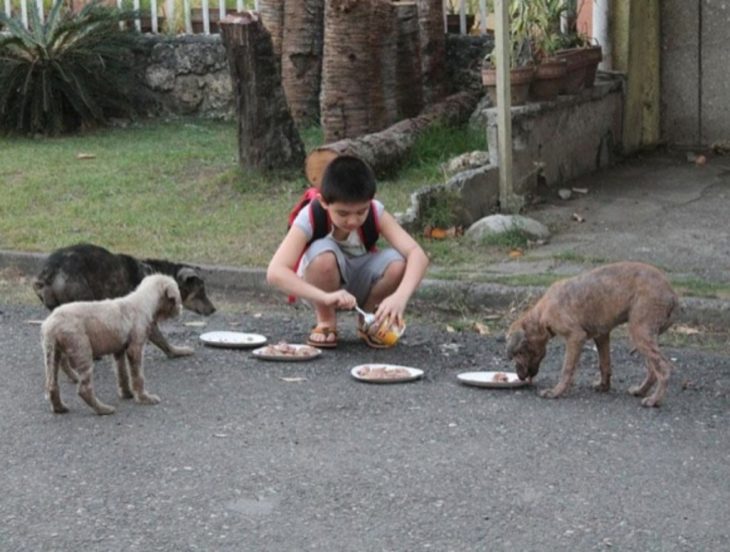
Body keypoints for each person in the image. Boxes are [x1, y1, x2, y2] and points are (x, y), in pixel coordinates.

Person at [266, 155, 429, 348]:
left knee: (398, 263)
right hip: (319, 288)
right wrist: (325, 297)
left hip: (360, 281)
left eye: (361, 212)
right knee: (323, 256)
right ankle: (326, 321)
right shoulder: (310, 216)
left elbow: (417, 254)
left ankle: (370, 319)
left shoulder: (376, 212)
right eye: (343, 213)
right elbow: (275, 272)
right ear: (324, 202)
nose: (352, 221)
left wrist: (399, 297)